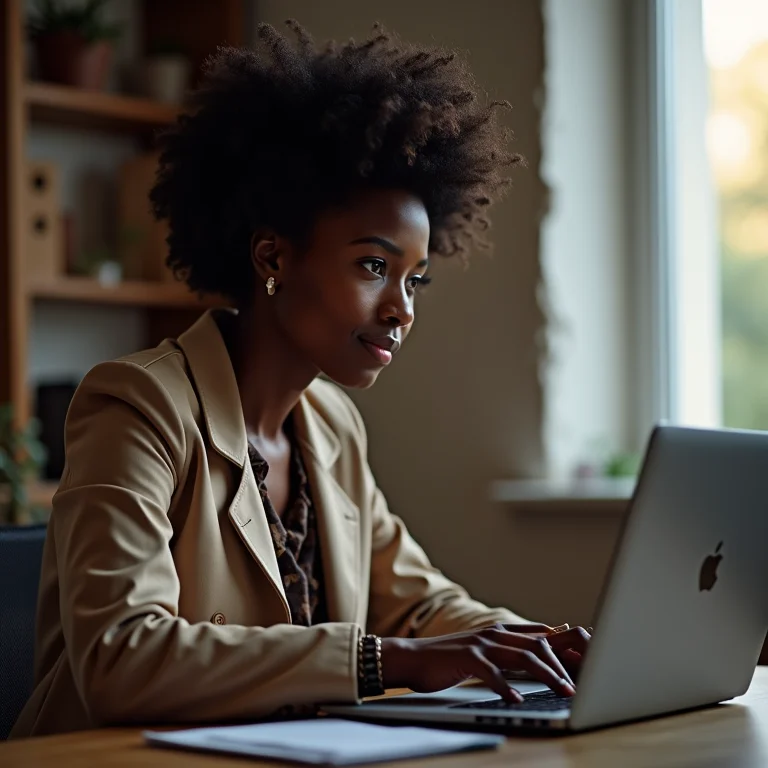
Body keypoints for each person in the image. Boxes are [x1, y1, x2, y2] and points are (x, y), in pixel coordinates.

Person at [11, 20, 590, 738]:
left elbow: (417, 605)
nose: (401, 310)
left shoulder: (330, 425)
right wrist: (388, 663)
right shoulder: (138, 406)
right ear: (272, 258)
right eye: (374, 267)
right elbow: (122, 658)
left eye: (415, 280)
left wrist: (539, 644)